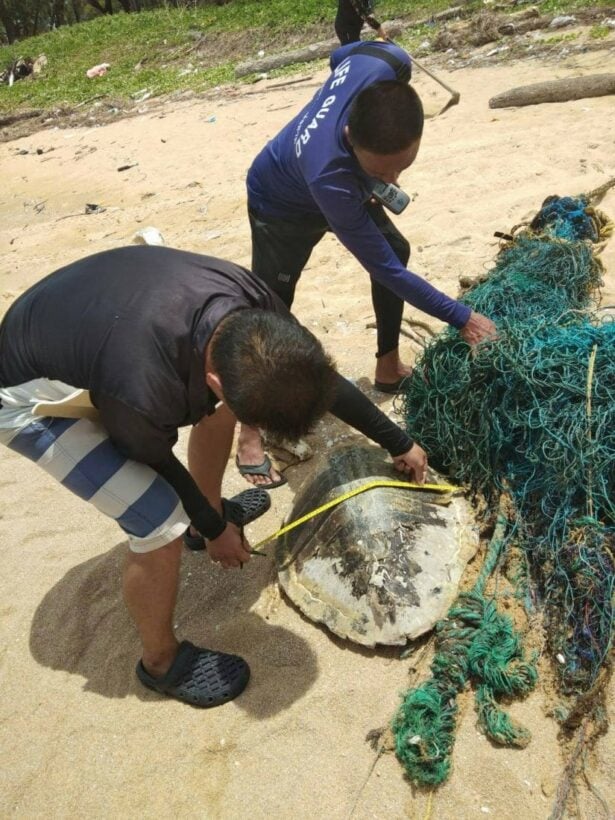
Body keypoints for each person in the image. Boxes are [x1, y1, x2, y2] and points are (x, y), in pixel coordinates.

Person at [0, 244, 428, 708]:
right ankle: (161, 663)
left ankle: (211, 519)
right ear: (218, 380)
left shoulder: (255, 311)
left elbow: (315, 381)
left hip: (98, 321)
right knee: (158, 519)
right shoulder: (143, 387)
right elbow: (159, 465)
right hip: (26, 394)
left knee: (221, 414)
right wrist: (209, 527)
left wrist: (396, 440)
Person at [238, 40, 497, 487]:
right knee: (270, 315)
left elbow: (341, 57)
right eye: (383, 173)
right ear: (351, 140)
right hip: (281, 203)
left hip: (345, 176)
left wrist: (374, 176)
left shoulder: (384, 62)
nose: (394, 180)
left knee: (395, 247)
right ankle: (250, 431)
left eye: (402, 166)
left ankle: (388, 366)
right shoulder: (331, 175)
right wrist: (463, 319)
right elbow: (386, 273)